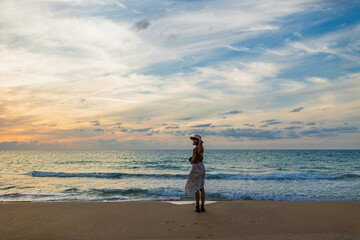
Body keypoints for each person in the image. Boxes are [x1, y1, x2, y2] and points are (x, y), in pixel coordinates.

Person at [185, 134, 206, 213]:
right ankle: (202, 207)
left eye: (194, 139)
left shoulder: (199, 148)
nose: (193, 141)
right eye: (193, 139)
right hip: (199, 167)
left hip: (197, 168)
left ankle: (198, 207)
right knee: (201, 187)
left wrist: (200, 143)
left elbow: (199, 152)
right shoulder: (197, 148)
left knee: (197, 187)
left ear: (198, 141)